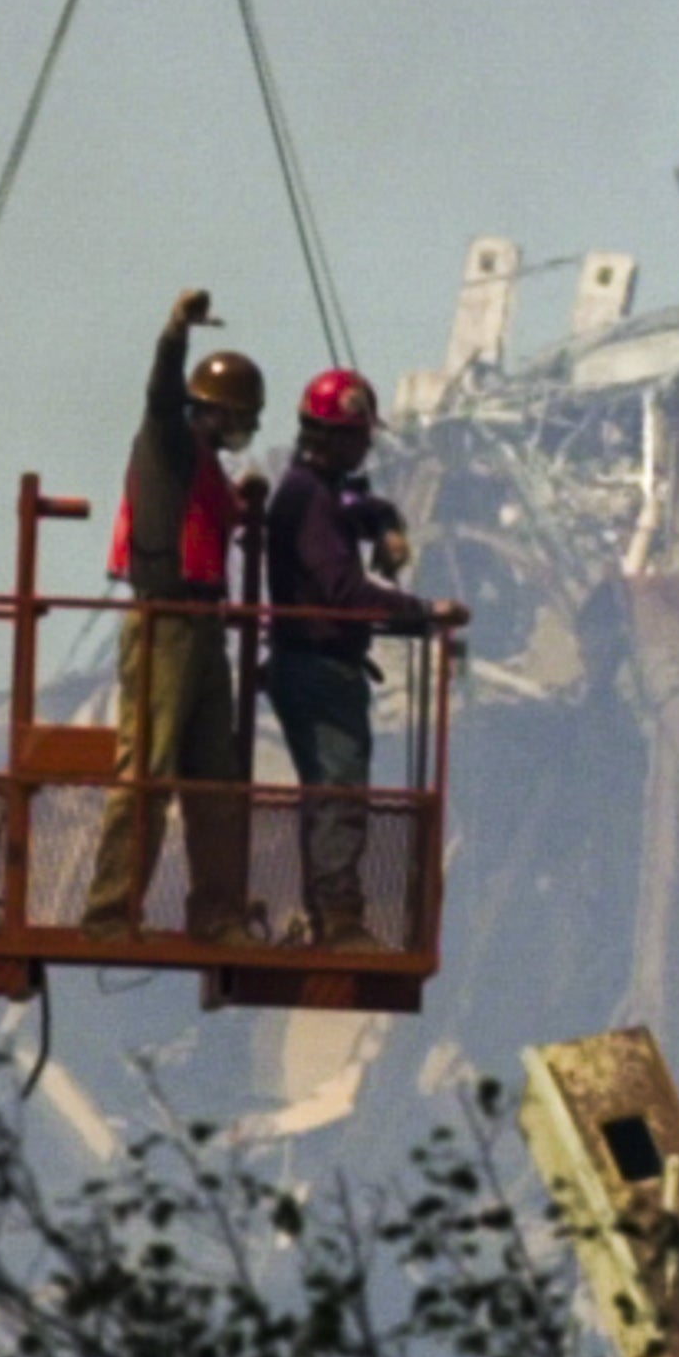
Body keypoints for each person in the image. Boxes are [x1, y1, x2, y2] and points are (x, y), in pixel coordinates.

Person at [81, 294, 267, 933]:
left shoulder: (203, 465)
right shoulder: (167, 441)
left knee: (215, 778)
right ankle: (110, 911)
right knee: (148, 774)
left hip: (202, 628)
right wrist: (175, 333)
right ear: (214, 412)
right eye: (240, 420)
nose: (242, 434)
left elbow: (216, 520)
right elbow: (160, 396)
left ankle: (219, 914)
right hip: (164, 626)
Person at [259, 368, 462, 946]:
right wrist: (423, 611)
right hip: (319, 669)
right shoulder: (308, 498)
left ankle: (331, 913)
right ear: (339, 435)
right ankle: (339, 922)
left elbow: (355, 502)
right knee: (338, 794)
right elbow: (343, 591)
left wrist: (386, 521)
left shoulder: (315, 489)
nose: (368, 443)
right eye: (362, 434)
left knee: (334, 793)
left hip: (314, 666)